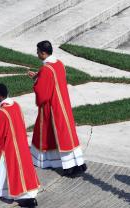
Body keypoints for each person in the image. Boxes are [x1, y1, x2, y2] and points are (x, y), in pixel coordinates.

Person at [0, 83, 40, 208]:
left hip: (7, 147)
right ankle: (24, 197)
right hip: (20, 145)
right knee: (17, 172)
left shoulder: (2, 113)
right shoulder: (16, 105)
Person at [28, 40, 86, 176]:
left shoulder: (46, 69)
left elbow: (43, 93)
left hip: (52, 107)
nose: (36, 54)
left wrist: (36, 81)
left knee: (58, 136)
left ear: (43, 53)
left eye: (38, 52)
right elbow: (54, 80)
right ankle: (79, 163)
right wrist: (38, 76)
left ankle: (69, 167)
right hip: (64, 105)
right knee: (68, 135)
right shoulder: (59, 63)